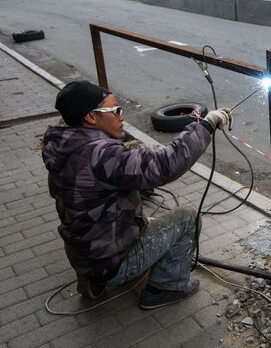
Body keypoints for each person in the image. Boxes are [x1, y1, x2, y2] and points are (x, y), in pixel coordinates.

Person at [42, 80, 232, 309]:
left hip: (85, 254)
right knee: (187, 217)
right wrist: (206, 125)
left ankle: (94, 280)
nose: (122, 117)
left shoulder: (66, 147)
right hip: (109, 260)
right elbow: (163, 166)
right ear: (91, 117)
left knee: (147, 218)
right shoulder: (101, 155)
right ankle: (166, 287)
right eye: (115, 111)